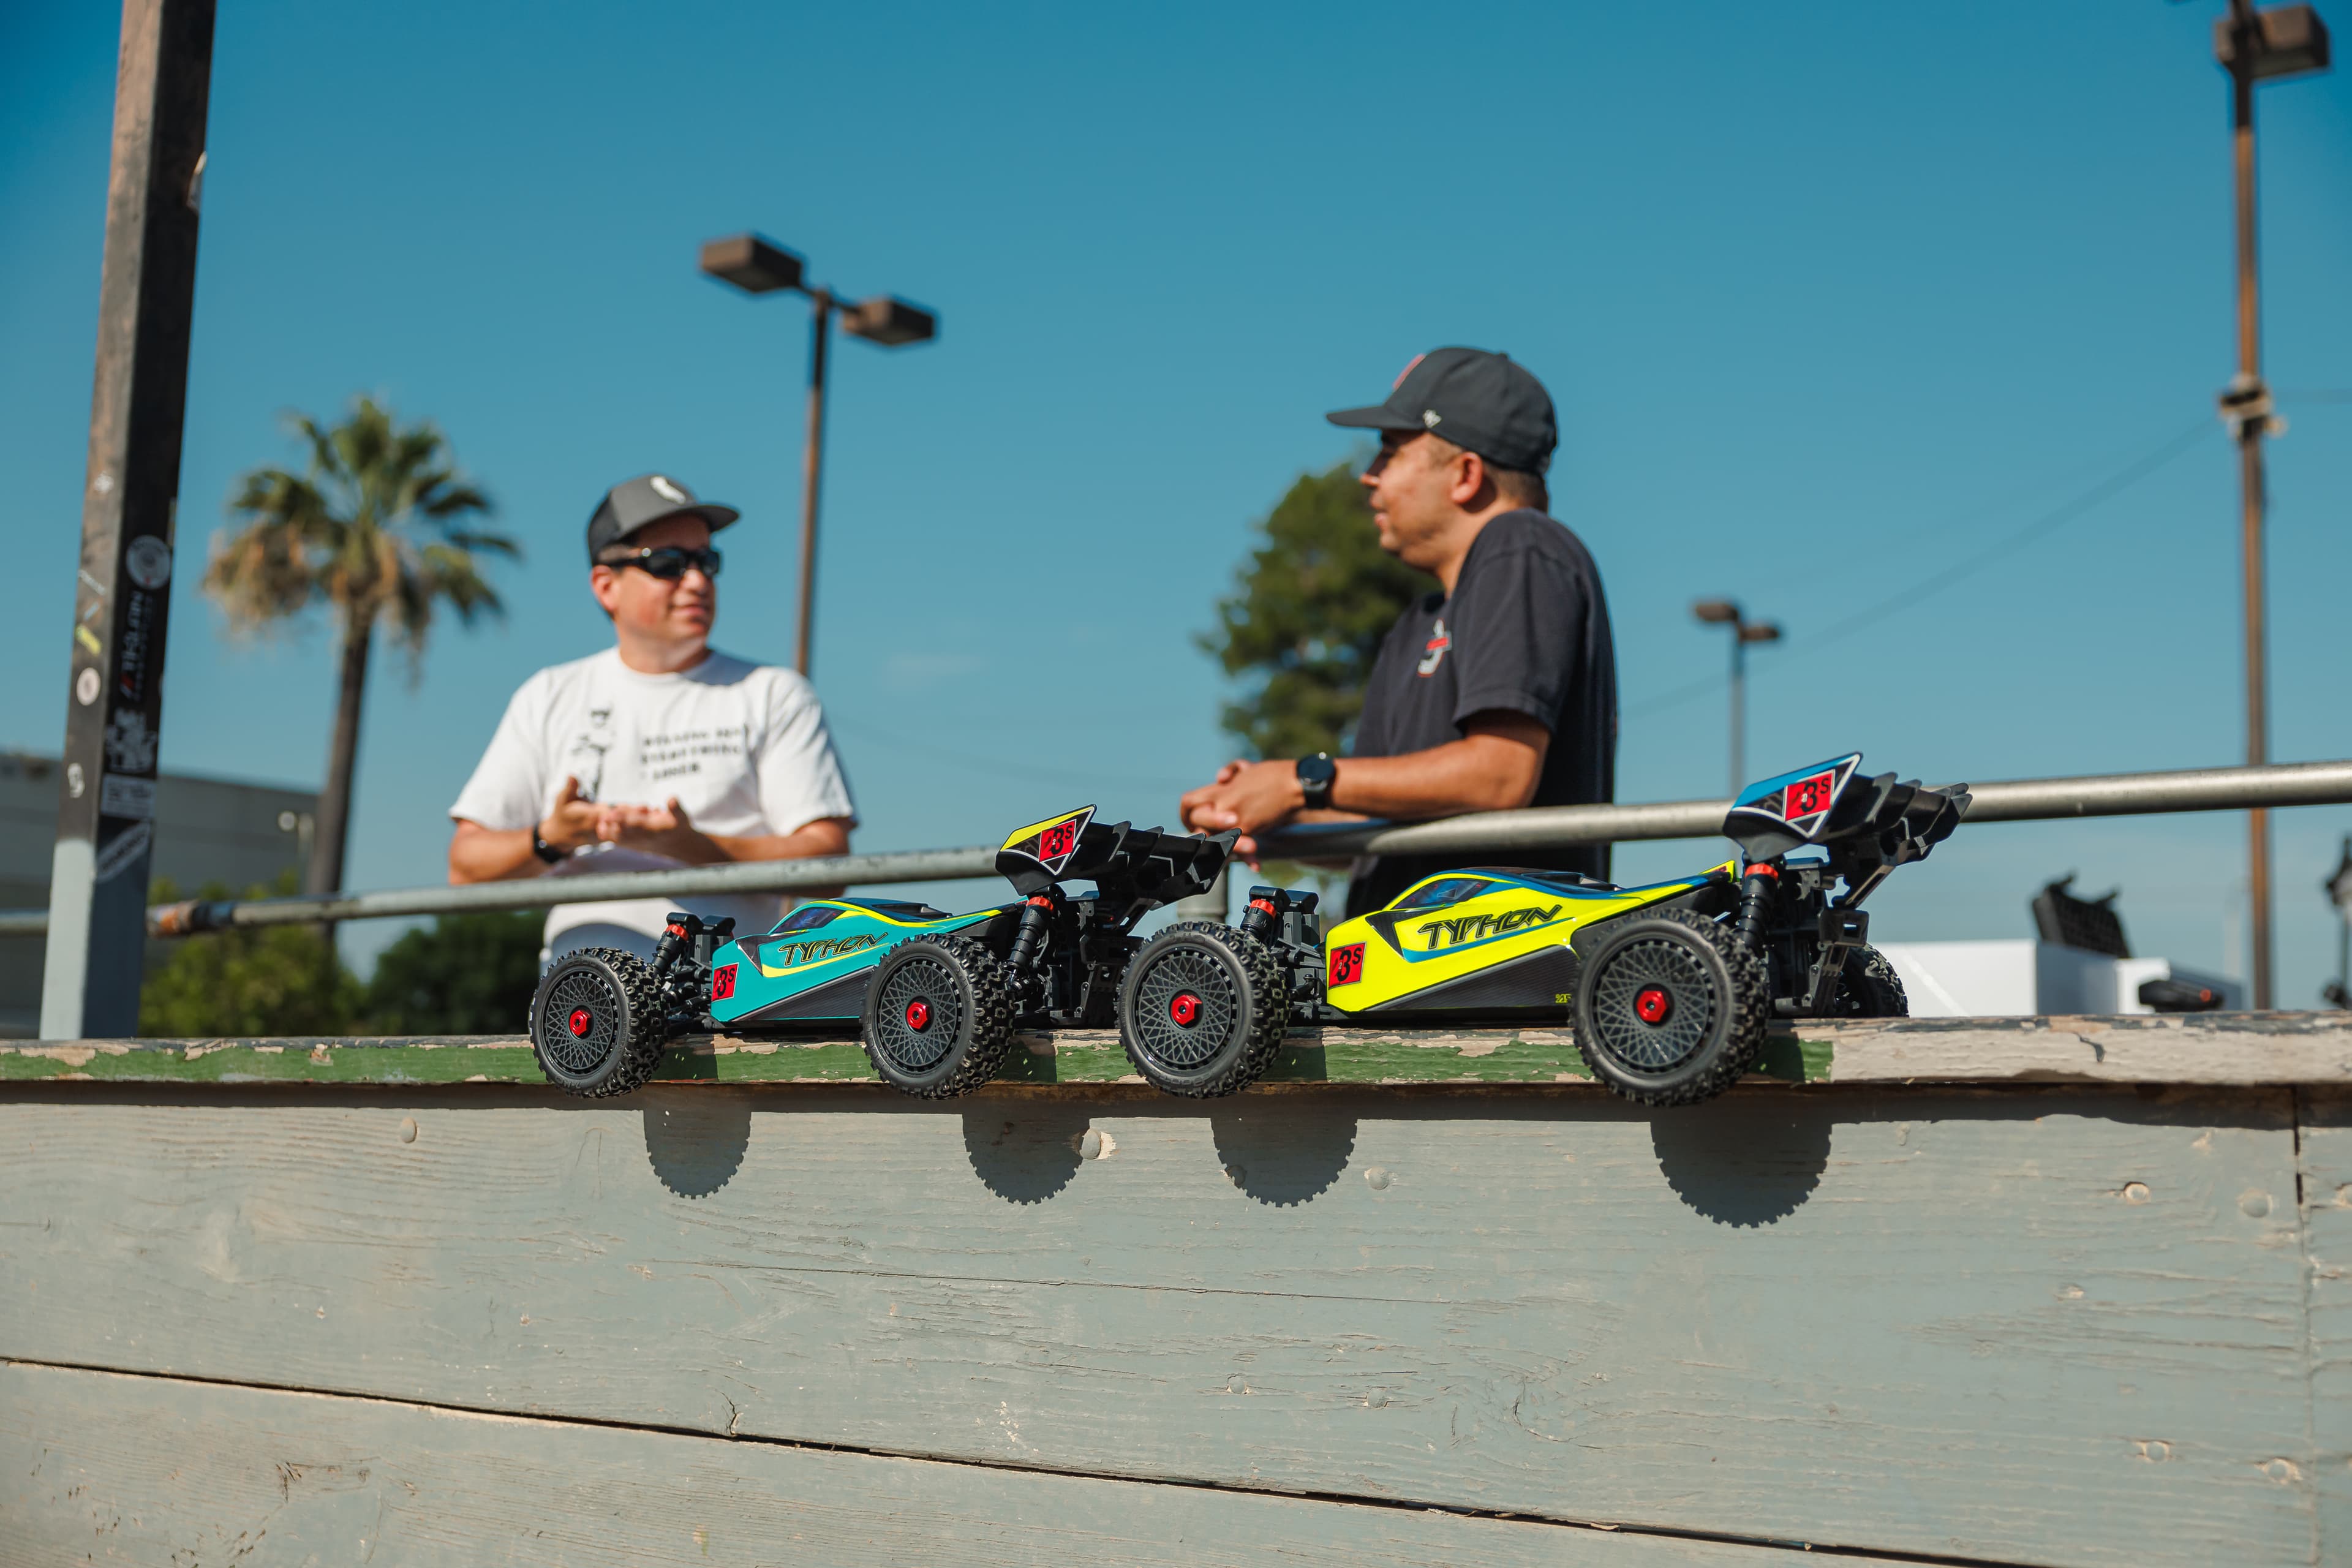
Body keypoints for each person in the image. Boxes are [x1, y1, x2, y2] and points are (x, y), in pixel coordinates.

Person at [1180, 347, 1617, 917]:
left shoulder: (1522, 543)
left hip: (1496, 986)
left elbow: (1499, 775)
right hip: (1402, 979)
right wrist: (1259, 805)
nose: (1369, 476)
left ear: (1465, 475)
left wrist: (1298, 782)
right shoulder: (1418, 622)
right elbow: (1373, 815)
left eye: (1390, 451)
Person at [448, 473, 858, 961]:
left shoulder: (773, 692)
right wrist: (553, 838)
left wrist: (691, 846)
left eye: (708, 561)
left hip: (728, 1018)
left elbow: (830, 863)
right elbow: (465, 867)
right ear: (606, 587)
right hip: (579, 1018)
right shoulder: (549, 695)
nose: (698, 580)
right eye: (668, 564)